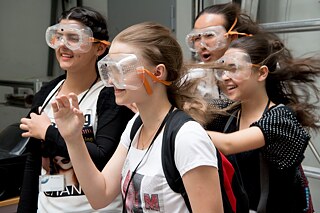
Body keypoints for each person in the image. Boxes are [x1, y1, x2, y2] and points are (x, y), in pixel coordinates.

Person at [51, 22, 224, 212]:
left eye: (123, 68)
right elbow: (99, 196)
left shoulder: (187, 137)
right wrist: (73, 139)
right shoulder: (136, 125)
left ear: (158, 72)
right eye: (109, 68)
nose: (110, 79)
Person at [18, 6, 134, 213]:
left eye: (74, 38)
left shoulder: (109, 95)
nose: (63, 46)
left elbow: (102, 158)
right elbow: (33, 162)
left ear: (99, 48)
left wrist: (48, 132)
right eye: (58, 37)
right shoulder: (46, 93)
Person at [205, 33, 320, 212]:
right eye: (223, 70)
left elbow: (228, 144)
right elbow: (193, 107)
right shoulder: (226, 112)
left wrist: (186, 130)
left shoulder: (281, 118)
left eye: (234, 68)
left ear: (262, 73)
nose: (225, 77)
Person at [185, 2, 262, 101]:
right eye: (196, 37)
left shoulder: (258, 70)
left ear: (233, 37)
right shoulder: (193, 79)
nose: (201, 45)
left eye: (209, 35)